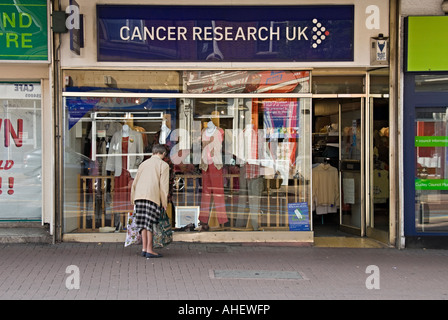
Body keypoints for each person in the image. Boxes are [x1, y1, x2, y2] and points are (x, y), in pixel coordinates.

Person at [130, 144, 169, 258]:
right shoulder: (163, 165)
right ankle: (150, 249)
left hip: (139, 195)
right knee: (150, 223)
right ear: (163, 154)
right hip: (152, 195)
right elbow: (163, 186)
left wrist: (133, 198)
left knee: (142, 223)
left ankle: (144, 248)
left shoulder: (143, 164)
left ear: (153, 152)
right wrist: (164, 202)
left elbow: (135, 182)